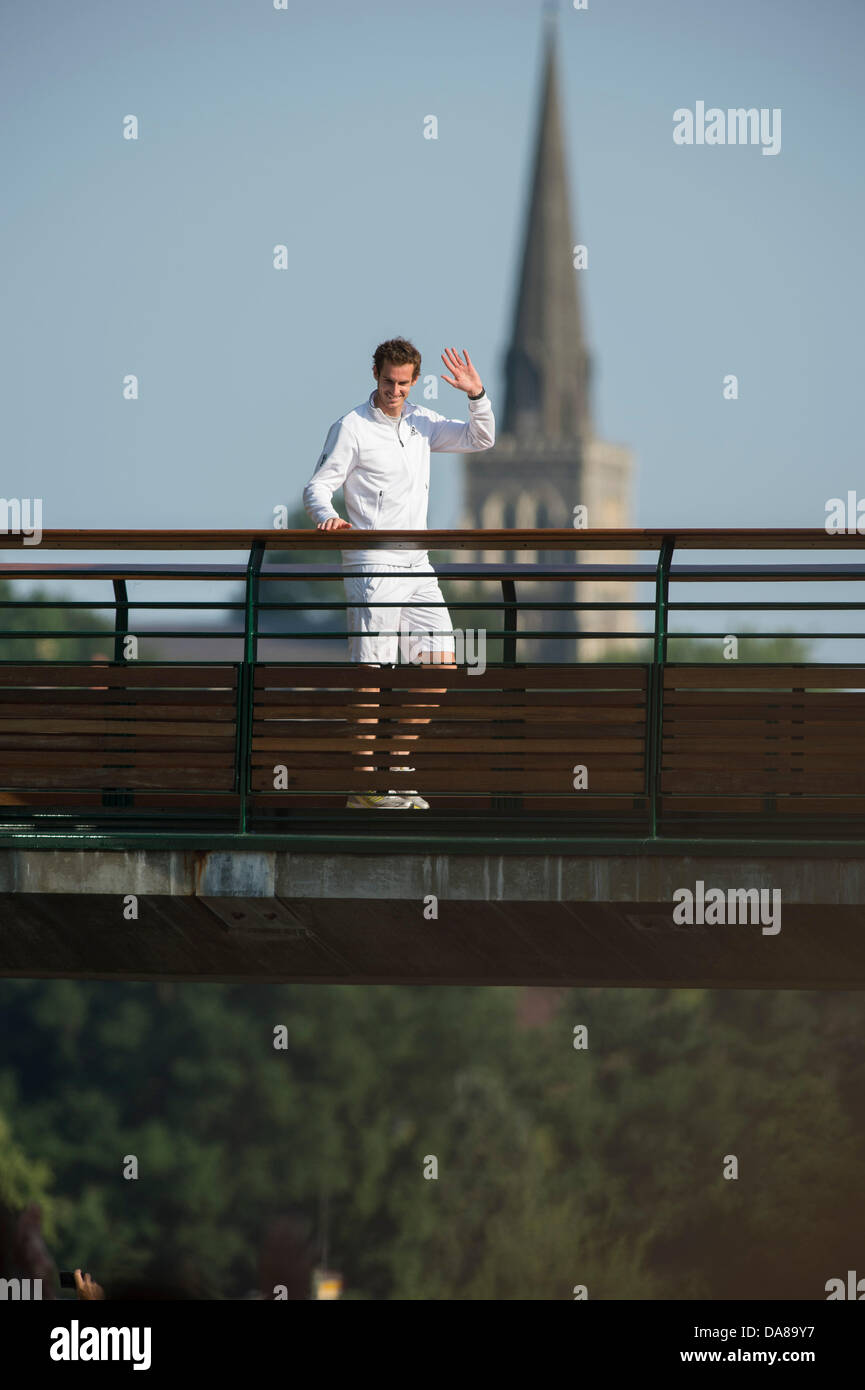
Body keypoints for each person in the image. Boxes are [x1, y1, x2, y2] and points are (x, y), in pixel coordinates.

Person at [303, 338, 495, 809]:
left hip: (418, 563)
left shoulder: (421, 421)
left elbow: (481, 439)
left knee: (443, 662)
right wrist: (326, 517)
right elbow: (317, 487)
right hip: (372, 564)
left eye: (404, 384)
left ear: (414, 382)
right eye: (389, 382)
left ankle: (398, 766)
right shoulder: (350, 427)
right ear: (375, 374)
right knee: (372, 672)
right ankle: (366, 786)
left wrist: (477, 396)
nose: (395, 392)